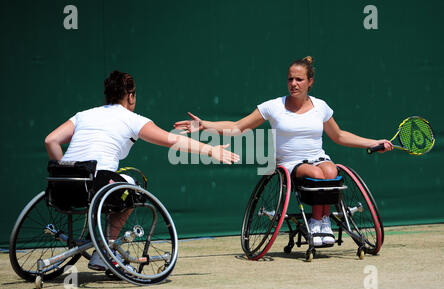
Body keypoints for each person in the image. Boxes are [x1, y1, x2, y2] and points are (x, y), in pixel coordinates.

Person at [174, 56, 393, 247]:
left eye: (299, 79)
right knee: (317, 174)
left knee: (330, 169)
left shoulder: (321, 106)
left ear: (310, 82)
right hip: (289, 164)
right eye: (290, 79)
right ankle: (317, 223)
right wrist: (205, 125)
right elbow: (238, 127)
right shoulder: (273, 106)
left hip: (319, 158)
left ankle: (322, 222)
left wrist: (373, 142)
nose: (294, 84)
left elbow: (339, 136)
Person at [45, 70, 240, 270]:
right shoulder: (133, 119)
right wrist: (210, 150)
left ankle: (103, 247)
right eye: (134, 94)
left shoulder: (83, 116)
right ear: (130, 96)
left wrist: (69, 172)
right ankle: (106, 251)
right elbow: (173, 139)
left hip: (61, 184)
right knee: (133, 187)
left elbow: (50, 140)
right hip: (97, 183)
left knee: (119, 183)